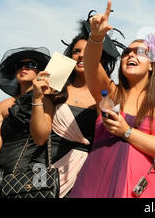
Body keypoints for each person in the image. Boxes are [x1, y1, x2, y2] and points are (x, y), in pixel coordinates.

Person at [69, 1, 155, 198]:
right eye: (127, 52)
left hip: (135, 185)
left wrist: (126, 132)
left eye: (141, 52)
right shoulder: (110, 93)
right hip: (95, 179)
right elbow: (91, 66)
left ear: (152, 65)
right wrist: (97, 37)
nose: (131, 55)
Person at [29, 12, 124, 197]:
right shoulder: (54, 90)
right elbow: (40, 138)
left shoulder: (110, 92)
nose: (82, 56)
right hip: (49, 173)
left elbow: (111, 133)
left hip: (90, 173)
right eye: (76, 51)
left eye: (88, 51)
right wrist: (37, 98)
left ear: (101, 56)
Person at [0, 47, 53, 197]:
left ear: (40, 71)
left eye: (30, 64)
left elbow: (42, 138)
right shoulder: (4, 105)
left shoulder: (47, 100)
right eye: (19, 66)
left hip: (36, 169)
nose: (23, 68)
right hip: (3, 171)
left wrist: (37, 97)